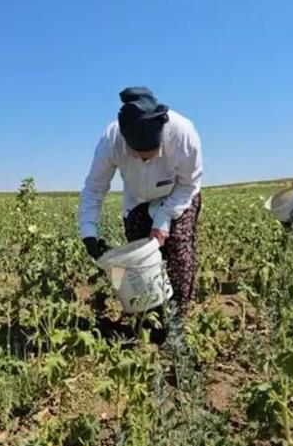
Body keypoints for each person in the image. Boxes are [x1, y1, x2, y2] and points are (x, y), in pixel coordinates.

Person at [79, 87, 203, 316]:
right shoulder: (111, 141)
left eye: (151, 152)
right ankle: (150, 316)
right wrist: (89, 232)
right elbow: (94, 188)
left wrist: (164, 219)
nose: (144, 159)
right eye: (138, 154)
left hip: (179, 194)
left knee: (178, 253)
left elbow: (189, 184)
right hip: (137, 200)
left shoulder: (183, 134)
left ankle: (177, 320)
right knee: (138, 262)